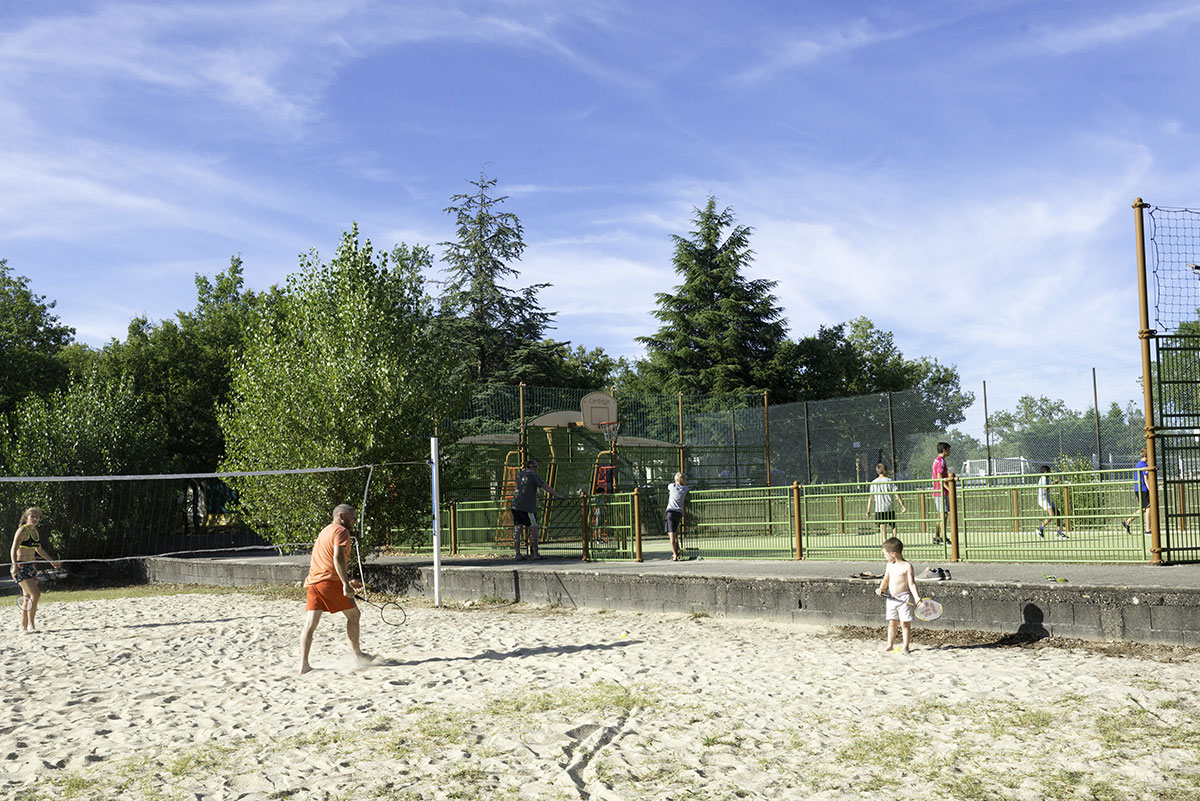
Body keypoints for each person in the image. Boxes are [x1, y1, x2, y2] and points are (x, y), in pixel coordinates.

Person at [299, 504, 372, 675]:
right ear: (340, 516)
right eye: (352, 516)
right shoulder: (341, 532)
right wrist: (345, 585)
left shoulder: (325, 531)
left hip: (313, 582)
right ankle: (357, 655)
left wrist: (347, 580)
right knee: (354, 615)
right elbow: (337, 558)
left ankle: (304, 665)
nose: (355, 519)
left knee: (310, 624)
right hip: (327, 583)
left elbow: (326, 561)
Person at [9, 507, 62, 633]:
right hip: (21, 566)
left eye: (37, 517)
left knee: (27, 597)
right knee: (36, 594)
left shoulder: (35, 532)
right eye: (32, 516)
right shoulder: (22, 530)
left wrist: (51, 561)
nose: (35, 519)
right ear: (26, 517)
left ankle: (24, 626)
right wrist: (14, 565)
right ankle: (31, 625)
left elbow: (39, 549)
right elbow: (13, 549)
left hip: (31, 566)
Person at [875, 537, 922, 654]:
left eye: (885, 554)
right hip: (891, 598)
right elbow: (886, 579)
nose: (884, 556)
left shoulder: (907, 566)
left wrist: (917, 598)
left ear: (893, 553)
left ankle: (905, 646)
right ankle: (890, 645)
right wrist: (881, 588)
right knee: (892, 622)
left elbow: (911, 583)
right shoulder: (889, 565)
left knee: (904, 623)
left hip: (904, 598)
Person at [510, 459, 563, 560]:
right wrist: (557, 495)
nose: (537, 469)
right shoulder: (533, 474)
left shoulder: (520, 474)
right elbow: (545, 486)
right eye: (536, 467)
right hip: (527, 506)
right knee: (534, 528)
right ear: (531, 467)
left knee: (518, 529)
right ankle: (535, 554)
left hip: (515, 505)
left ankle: (517, 554)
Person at [865, 463, 907, 539]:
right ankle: (894, 538)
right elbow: (896, 494)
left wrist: (868, 509)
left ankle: (884, 540)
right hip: (889, 507)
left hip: (879, 508)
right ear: (884, 471)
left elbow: (870, 497)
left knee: (882, 524)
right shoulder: (889, 480)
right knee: (893, 524)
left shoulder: (874, 482)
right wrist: (902, 505)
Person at [1122, 448, 1151, 536]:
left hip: (1137, 489)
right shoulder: (1144, 465)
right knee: (1149, 507)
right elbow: (1146, 479)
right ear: (1146, 456)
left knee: (1143, 508)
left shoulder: (1137, 464)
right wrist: (1150, 490)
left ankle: (1127, 522)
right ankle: (1147, 529)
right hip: (1143, 489)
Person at [1036, 466, 1067, 539]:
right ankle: (1040, 529)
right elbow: (1045, 488)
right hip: (1043, 499)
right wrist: (1054, 483)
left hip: (1048, 498)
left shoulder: (1047, 478)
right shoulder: (1043, 478)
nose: (1050, 473)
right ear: (1046, 472)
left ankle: (1059, 533)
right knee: (1052, 515)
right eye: (1049, 471)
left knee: (1058, 513)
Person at [665, 472, 689, 561]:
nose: (686, 481)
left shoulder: (671, 486)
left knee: (671, 535)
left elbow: (670, 489)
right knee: (675, 533)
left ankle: (674, 554)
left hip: (670, 512)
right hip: (678, 513)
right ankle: (677, 550)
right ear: (682, 480)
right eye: (685, 479)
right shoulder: (686, 489)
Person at [931, 442, 951, 545]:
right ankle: (944, 537)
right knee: (944, 514)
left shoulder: (937, 460)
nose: (949, 452)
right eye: (948, 449)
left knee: (941, 514)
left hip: (937, 491)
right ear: (944, 450)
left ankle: (937, 537)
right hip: (941, 492)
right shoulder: (940, 461)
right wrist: (948, 488)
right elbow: (939, 477)